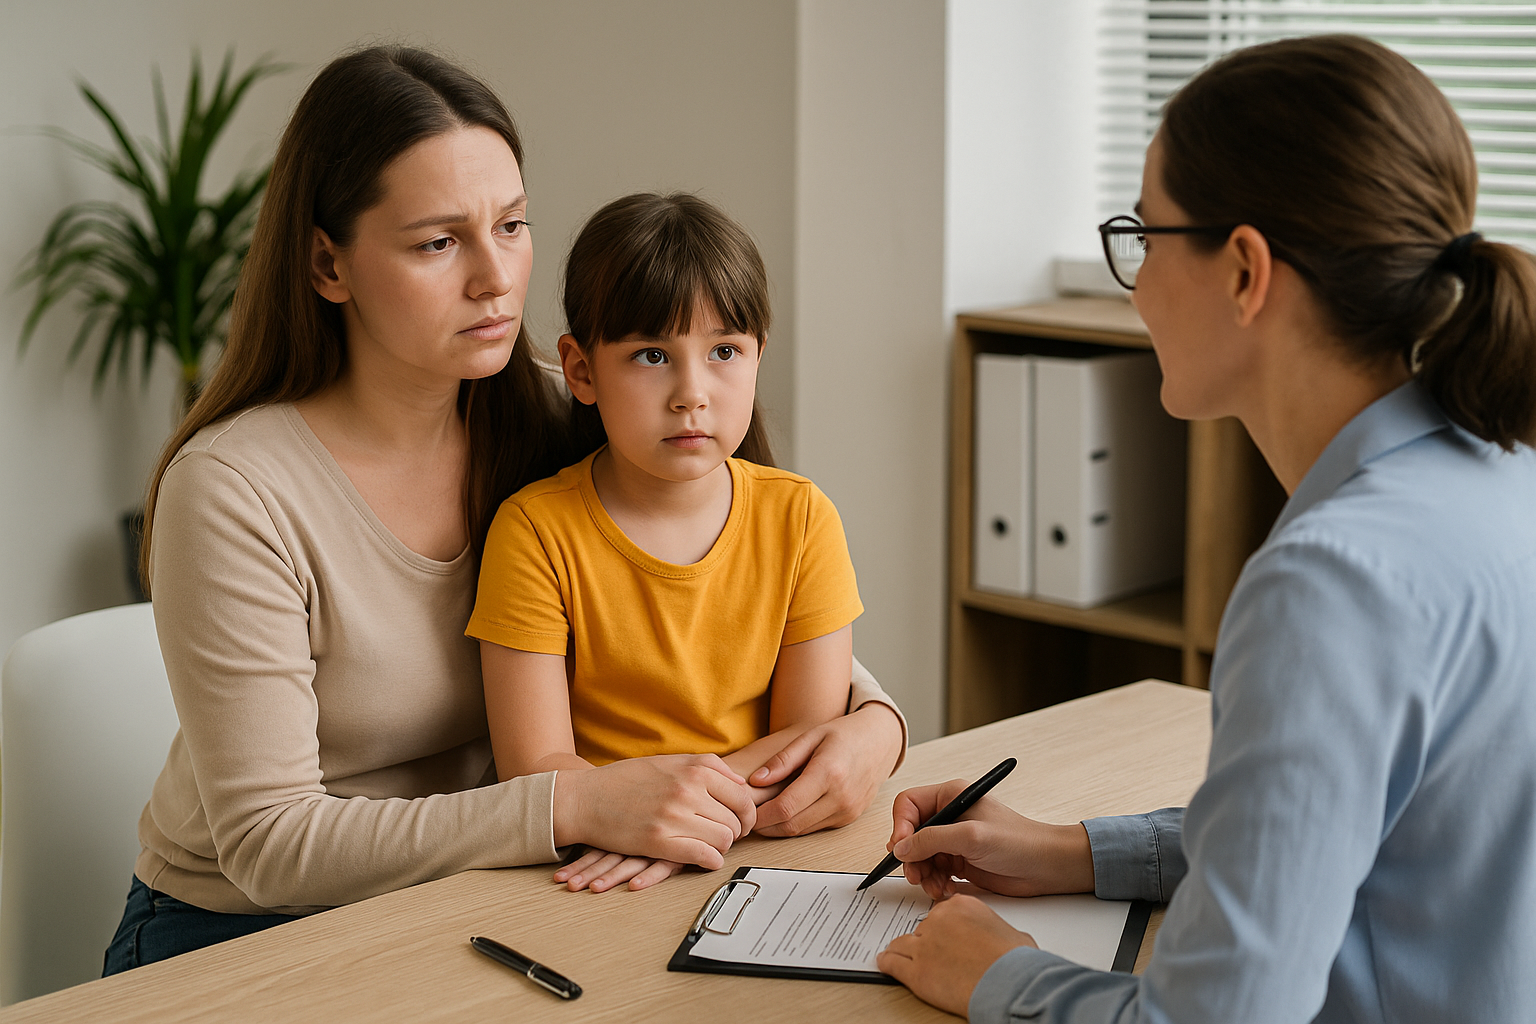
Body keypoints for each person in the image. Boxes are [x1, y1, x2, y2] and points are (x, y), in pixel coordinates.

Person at [104, 46, 905, 975]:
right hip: (240, 933)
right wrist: (572, 806)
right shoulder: (234, 490)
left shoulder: (548, 412)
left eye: (513, 224)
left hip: (482, 894)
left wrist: (871, 728)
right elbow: (270, 844)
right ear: (329, 263)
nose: (495, 277)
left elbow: (749, 597)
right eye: (438, 242)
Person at [875, 34, 1536, 1023]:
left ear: (1243, 269)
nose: (1133, 283)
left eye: (1146, 235)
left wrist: (995, 971)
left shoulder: (1334, 581)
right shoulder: (1501, 467)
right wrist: (1071, 851)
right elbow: (1357, 829)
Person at [468, 193, 863, 894]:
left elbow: (806, 746)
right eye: (652, 354)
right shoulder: (534, 532)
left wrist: (680, 819)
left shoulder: (803, 520)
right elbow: (531, 770)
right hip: (587, 869)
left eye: (723, 352)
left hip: (759, 853)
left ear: (758, 357)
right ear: (581, 371)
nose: (691, 392)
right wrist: (636, 819)